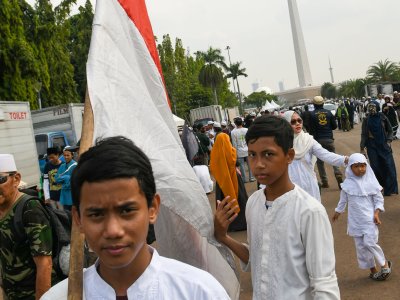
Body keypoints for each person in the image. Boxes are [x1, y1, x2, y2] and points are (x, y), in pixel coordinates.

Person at [41, 136, 229, 299]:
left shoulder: (199, 292)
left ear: (153, 208)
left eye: (126, 211)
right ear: (78, 218)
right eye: (96, 214)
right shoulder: (58, 296)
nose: (113, 231)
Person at [214, 116, 340, 299]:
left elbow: (324, 284)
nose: (258, 164)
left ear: (289, 156)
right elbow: (256, 257)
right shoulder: (254, 203)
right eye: (252, 155)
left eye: (268, 154)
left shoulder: (309, 211)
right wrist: (222, 236)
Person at [0, 154, 57, 299]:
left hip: (33, 294)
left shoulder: (30, 208)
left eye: (0, 179)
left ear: (16, 179)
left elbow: (45, 264)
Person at [332, 153, 392, 281]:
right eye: (357, 166)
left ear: (367, 166)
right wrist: (338, 212)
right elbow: (343, 201)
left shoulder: (371, 182)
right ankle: (373, 271)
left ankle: (384, 265)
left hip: (370, 220)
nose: (360, 169)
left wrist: (376, 213)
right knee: (361, 248)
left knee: (369, 242)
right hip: (355, 222)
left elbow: (378, 200)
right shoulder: (347, 184)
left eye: (363, 166)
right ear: (350, 168)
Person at [283, 111, 348, 202]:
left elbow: (326, 155)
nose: (297, 123)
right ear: (286, 124)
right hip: (290, 185)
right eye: (293, 122)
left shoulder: (308, 140)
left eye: (299, 121)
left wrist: (345, 159)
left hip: (309, 184)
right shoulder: (280, 143)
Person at [210, 133, 247, 231]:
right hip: (234, 178)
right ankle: (242, 223)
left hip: (222, 182)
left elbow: (213, 166)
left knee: (224, 202)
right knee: (239, 199)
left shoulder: (214, 153)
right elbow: (234, 161)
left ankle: (228, 224)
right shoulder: (231, 151)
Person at [361, 101, 398, 196]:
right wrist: (362, 147)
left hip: (384, 145)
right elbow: (364, 134)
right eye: (370, 107)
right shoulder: (366, 119)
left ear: (377, 107)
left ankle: (389, 189)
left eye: (373, 107)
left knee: (388, 166)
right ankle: (379, 187)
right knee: (375, 167)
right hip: (372, 145)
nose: (371, 109)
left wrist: (389, 141)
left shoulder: (383, 117)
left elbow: (390, 130)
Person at [310, 95, 344, 189]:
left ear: (314, 104)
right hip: (329, 139)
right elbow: (334, 126)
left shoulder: (312, 115)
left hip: (317, 141)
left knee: (320, 162)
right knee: (333, 158)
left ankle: (325, 181)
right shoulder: (328, 113)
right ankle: (338, 174)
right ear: (323, 103)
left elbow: (311, 129)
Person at [231, 117, 255, 182]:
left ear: (235, 124)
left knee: (241, 166)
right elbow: (249, 140)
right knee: (250, 164)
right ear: (242, 123)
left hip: (239, 151)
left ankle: (244, 179)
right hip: (247, 149)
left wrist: (235, 153)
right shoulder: (246, 130)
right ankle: (252, 178)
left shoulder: (233, 132)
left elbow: (234, 144)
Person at [55, 146, 77, 211]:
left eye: (68, 155)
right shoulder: (62, 166)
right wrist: (67, 178)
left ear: (72, 155)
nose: (66, 157)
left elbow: (75, 181)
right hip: (64, 197)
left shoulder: (75, 165)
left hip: (73, 196)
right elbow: (57, 179)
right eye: (64, 155)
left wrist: (64, 178)